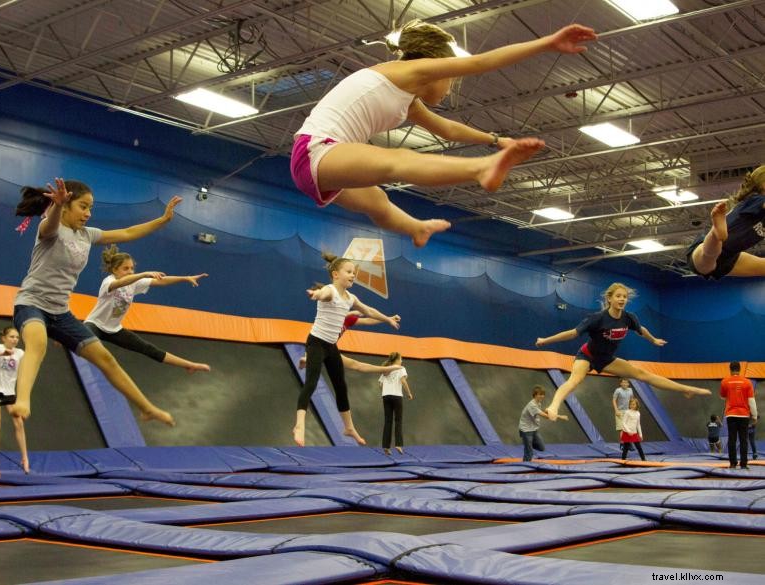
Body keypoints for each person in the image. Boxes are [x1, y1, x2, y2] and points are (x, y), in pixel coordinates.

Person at [291, 20, 597, 247]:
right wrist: (545, 43)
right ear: (437, 66)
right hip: (316, 150)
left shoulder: (407, 100)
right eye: (450, 79)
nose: (450, 88)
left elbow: (449, 129)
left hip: (320, 165)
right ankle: (481, 167)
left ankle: (416, 228)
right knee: (395, 160)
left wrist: (494, 140)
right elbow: (480, 62)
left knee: (379, 202)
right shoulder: (410, 71)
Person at [11, 178, 175, 426]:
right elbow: (50, 225)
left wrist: (162, 221)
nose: (88, 214)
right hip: (32, 303)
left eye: (90, 208)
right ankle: (22, 400)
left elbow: (128, 233)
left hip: (61, 312)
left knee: (106, 358)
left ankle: (147, 408)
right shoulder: (50, 227)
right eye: (83, 207)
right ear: (66, 204)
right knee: (38, 341)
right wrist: (56, 206)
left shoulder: (87, 235)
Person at [535, 282, 711, 420]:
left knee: (643, 374)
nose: (622, 299)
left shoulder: (629, 318)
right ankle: (554, 406)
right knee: (575, 380)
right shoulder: (597, 318)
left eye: (625, 297)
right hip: (587, 356)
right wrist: (545, 340)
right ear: (610, 299)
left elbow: (643, 330)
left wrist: (653, 340)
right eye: (618, 296)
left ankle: (685, 389)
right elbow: (572, 333)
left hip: (607, 359)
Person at [293, 252, 400, 446]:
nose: (353, 275)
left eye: (354, 272)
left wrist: (388, 319)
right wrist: (315, 294)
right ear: (336, 274)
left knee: (341, 386)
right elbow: (322, 294)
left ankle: (349, 427)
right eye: (349, 272)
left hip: (331, 346)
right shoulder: (330, 290)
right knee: (311, 383)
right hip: (316, 342)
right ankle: (299, 424)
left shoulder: (350, 298)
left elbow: (369, 311)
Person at [85, 245, 210, 372]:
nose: (130, 271)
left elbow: (161, 281)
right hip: (95, 324)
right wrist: (143, 274)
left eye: (132, 268)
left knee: (148, 348)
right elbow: (120, 283)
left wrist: (185, 278)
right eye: (125, 268)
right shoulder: (108, 281)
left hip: (114, 329)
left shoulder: (134, 282)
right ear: (114, 270)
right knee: (83, 341)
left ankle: (189, 365)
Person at [687, 165, 765, 279]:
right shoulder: (755, 199)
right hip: (704, 251)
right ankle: (716, 233)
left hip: (731, 257)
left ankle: (716, 236)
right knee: (709, 256)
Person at [0, 327, 28, 479]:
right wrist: (1, 354)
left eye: (17, 337)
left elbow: (29, 367)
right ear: (4, 338)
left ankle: (25, 458)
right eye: (11, 337)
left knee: (19, 423)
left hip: (10, 393)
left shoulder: (20, 353)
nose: (15, 340)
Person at [297, 308, 401, 369]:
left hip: (329, 348)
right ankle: (307, 360)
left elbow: (368, 321)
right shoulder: (331, 314)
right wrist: (352, 313)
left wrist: (389, 319)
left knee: (355, 365)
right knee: (316, 349)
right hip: (317, 342)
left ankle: (384, 370)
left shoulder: (348, 320)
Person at [720, 361, 757, 469]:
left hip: (731, 414)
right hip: (744, 415)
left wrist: (731, 394)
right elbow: (751, 401)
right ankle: (744, 464)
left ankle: (732, 463)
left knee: (732, 439)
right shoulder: (747, 382)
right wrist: (754, 416)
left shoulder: (725, 382)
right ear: (739, 369)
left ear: (730, 369)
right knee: (743, 440)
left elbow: (722, 397)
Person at [518, 385, 568, 462]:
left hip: (534, 429)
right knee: (529, 452)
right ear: (535, 395)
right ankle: (526, 465)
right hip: (526, 430)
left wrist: (547, 411)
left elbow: (540, 413)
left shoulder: (538, 403)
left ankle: (528, 444)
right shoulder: (532, 405)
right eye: (540, 394)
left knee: (541, 448)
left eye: (543, 394)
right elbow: (546, 417)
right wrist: (560, 416)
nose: (542, 396)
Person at [378, 352, 413, 455]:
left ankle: (386, 447)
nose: (402, 360)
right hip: (397, 396)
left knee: (388, 421)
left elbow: (380, 384)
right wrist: (409, 393)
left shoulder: (386, 369)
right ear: (397, 359)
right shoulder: (401, 368)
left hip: (386, 396)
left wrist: (386, 391)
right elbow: (403, 381)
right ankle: (398, 444)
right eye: (401, 358)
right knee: (398, 420)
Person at [612, 378, 633, 452]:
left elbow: (631, 400)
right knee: (622, 429)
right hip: (620, 411)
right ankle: (622, 444)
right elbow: (614, 400)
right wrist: (616, 410)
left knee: (628, 428)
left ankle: (629, 444)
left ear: (628, 384)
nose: (624, 384)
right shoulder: (618, 390)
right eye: (623, 382)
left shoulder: (630, 390)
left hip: (628, 411)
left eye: (626, 383)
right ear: (620, 383)